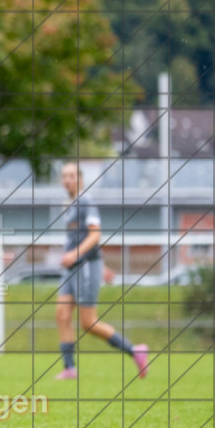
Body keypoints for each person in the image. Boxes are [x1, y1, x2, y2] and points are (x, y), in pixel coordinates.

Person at [54, 162, 149, 380]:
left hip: (84, 266)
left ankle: (135, 351)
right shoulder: (69, 204)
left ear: (80, 179)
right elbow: (81, 238)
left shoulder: (86, 201)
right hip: (73, 268)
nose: (67, 179)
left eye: (71, 175)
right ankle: (69, 368)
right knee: (62, 314)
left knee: (88, 323)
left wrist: (78, 256)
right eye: (64, 176)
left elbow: (95, 235)